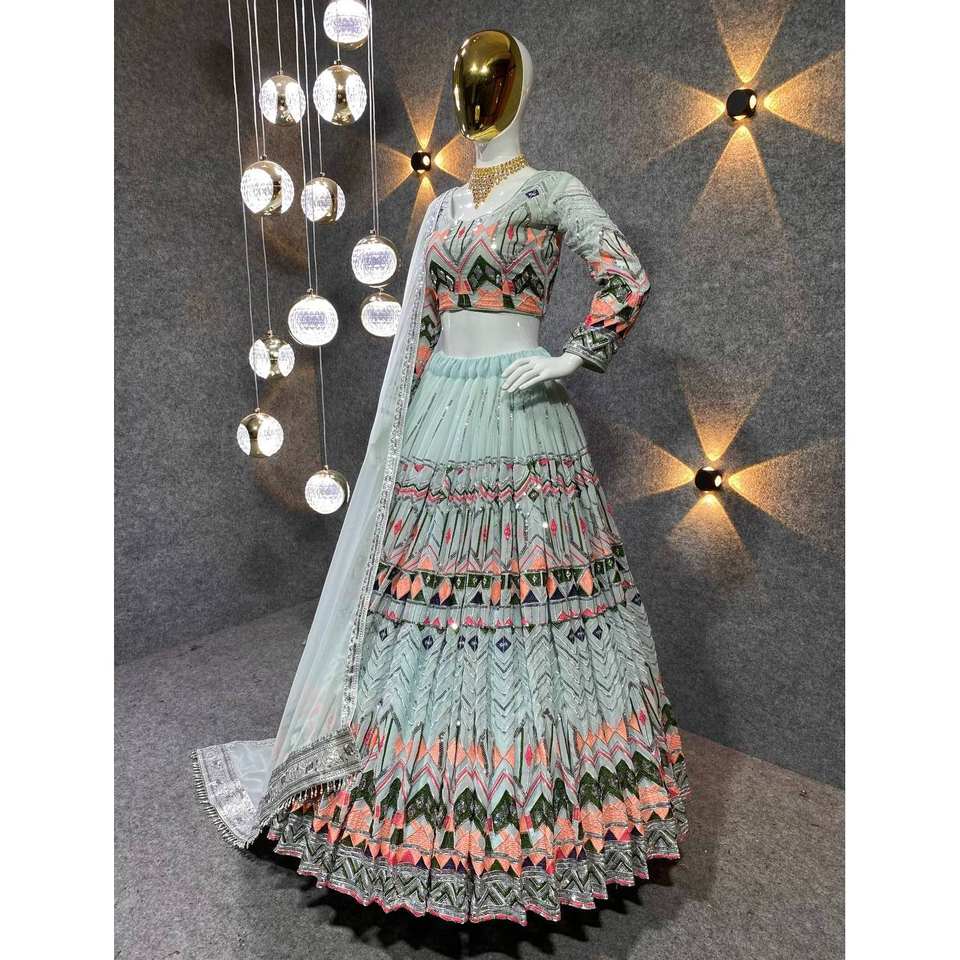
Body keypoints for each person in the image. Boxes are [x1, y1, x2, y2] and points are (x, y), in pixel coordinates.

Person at [194, 28, 689, 926]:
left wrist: (572, 356)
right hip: (442, 415)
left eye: (492, 79)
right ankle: (408, 794)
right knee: (427, 598)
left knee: (529, 594)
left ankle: (535, 800)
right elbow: (421, 329)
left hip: (522, 407)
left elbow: (626, 276)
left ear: (521, 89)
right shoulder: (445, 210)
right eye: (466, 81)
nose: (475, 97)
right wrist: (404, 430)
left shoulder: (554, 190)